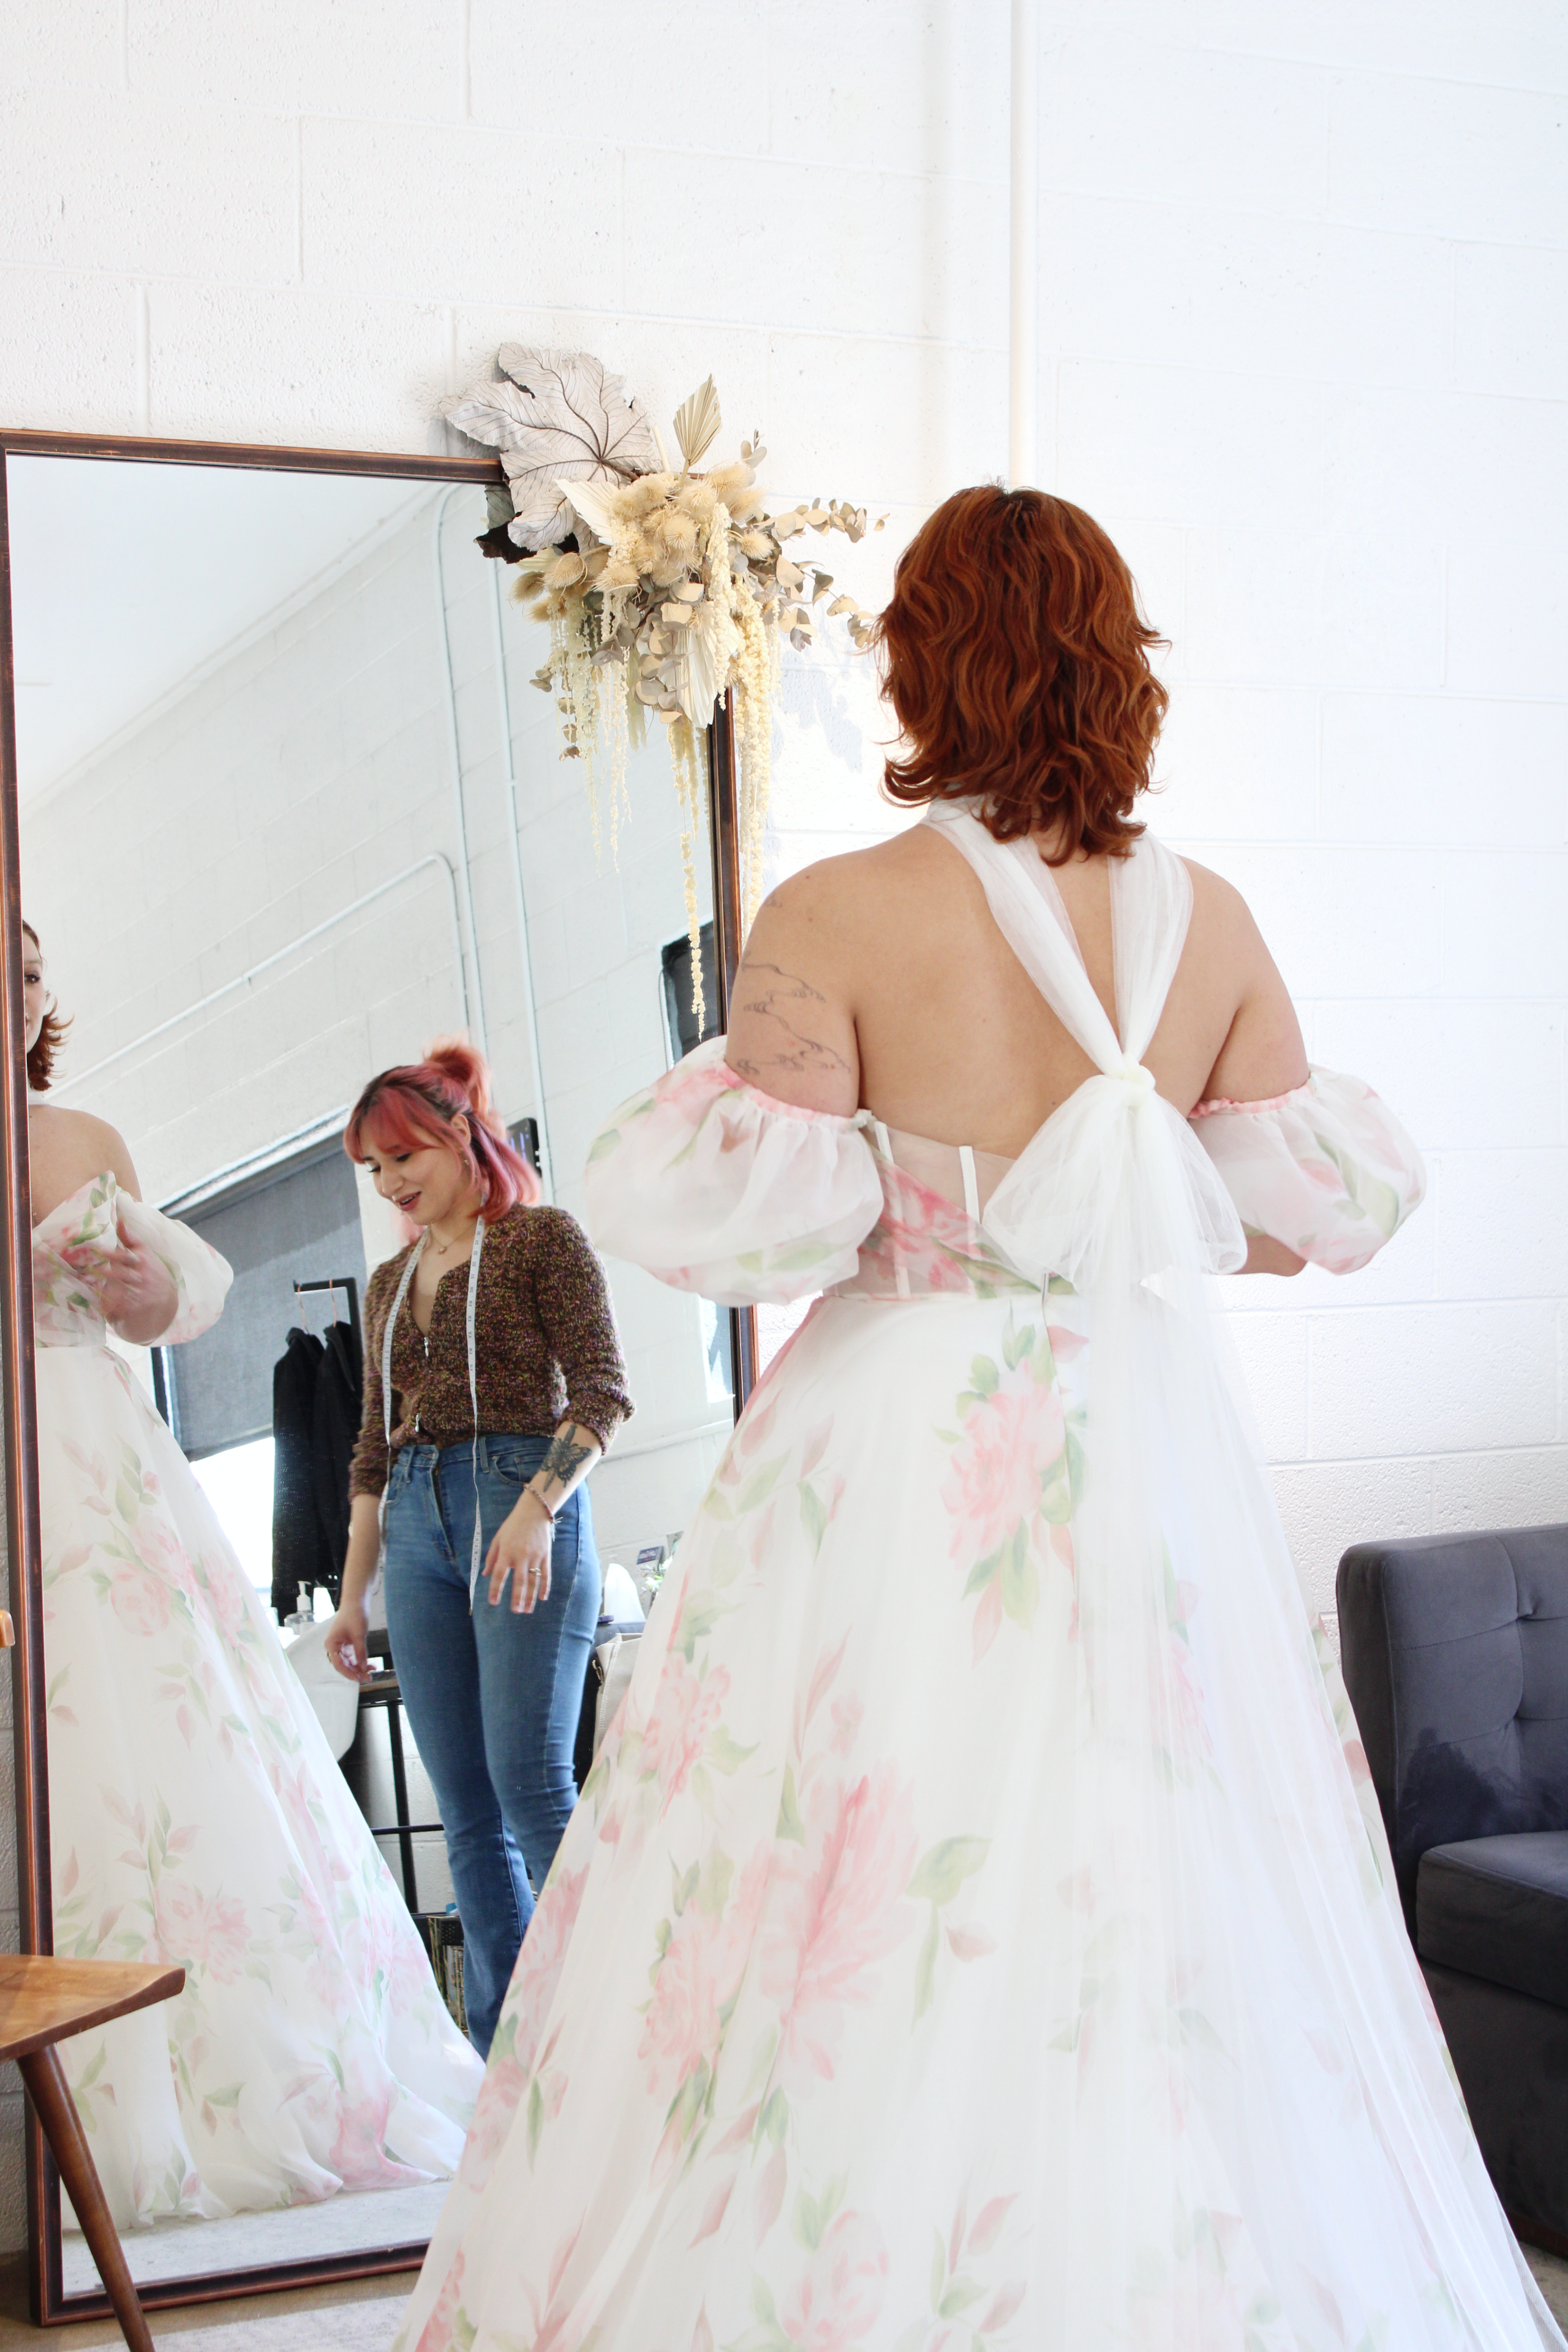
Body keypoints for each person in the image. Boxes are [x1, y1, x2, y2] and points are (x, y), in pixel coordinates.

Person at [393, 488, 1564, 2352]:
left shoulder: (842, 911)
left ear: (920, 657)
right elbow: (1278, 1232)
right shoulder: (1219, 919)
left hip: (900, 1440)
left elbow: (745, 1229)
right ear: (1119, 655)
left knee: (841, 1854)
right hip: (1139, 1427)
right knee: (1157, 1864)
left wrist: (932, 1180)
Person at [23, 922, 483, 2233]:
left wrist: (132, 1286)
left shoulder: (87, 1140)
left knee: (157, 1738)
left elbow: (171, 1306)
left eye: (37, 968)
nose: (22, 989)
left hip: (93, 1447)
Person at [325, 1041, 633, 2059]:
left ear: (462, 1134)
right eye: (374, 1169)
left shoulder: (543, 1239)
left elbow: (602, 1395)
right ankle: (518, 2057)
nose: (393, 1182)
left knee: (528, 1779)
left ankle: (630, 2021)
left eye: (404, 1155)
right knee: (463, 1805)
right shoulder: (386, 1284)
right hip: (414, 1518)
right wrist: (351, 1595)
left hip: (518, 1496)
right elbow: (373, 1447)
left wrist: (541, 1505)